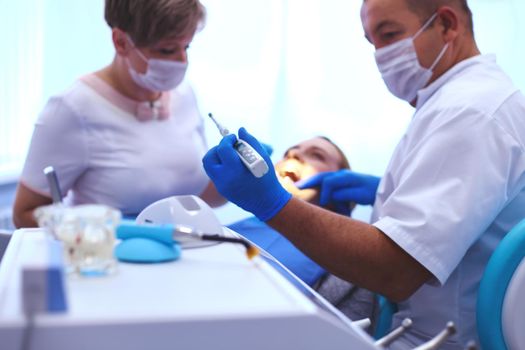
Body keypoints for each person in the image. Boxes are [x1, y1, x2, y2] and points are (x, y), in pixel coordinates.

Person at [203, 1, 525, 348]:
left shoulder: (471, 111)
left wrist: (271, 202)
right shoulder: (457, 102)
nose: (380, 56)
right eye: (372, 42)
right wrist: (383, 193)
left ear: (446, 24)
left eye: (389, 35)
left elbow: (395, 270)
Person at [13, 0, 224, 228]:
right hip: (110, 258)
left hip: (187, 253)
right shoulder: (72, 108)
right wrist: (108, 229)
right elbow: (24, 215)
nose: (183, 61)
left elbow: (195, 196)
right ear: (121, 42)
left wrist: (239, 181)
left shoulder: (184, 94)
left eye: (187, 47)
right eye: (167, 49)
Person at [229, 136, 379, 326]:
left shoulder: (352, 264)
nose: (294, 155)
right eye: (289, 153)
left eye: (317, 155)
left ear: (340, 182)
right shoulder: (239, 227)